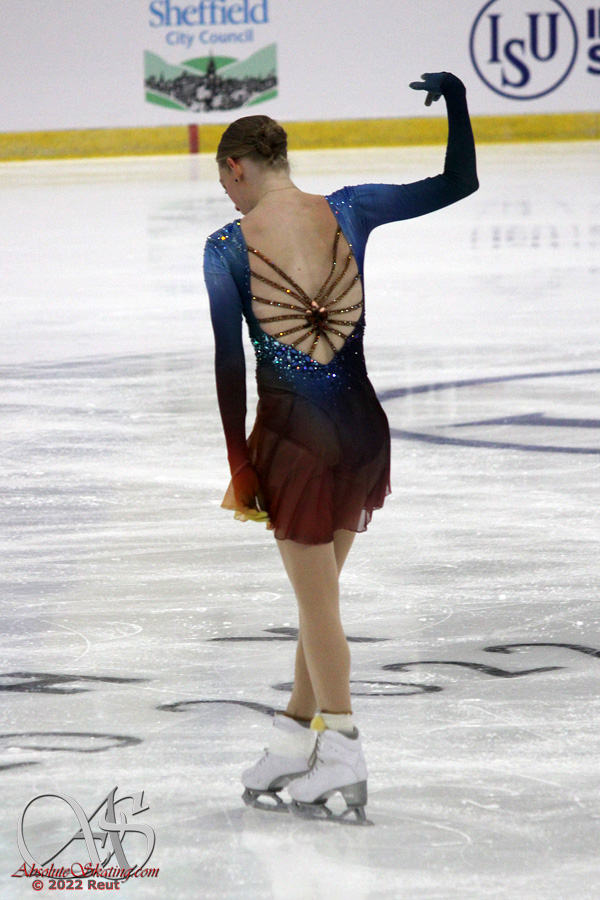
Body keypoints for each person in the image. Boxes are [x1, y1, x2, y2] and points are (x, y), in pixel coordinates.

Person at [203, 72, 478, 824]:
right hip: (362, 430)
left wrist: (239, 461)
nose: (228, 198)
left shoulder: (227, 247)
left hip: (295, 441)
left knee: (318, 605)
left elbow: (230, 365)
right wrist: (457, 102)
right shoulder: (349, 209)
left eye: (224, 183)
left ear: (237, 167)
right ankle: (293, 740)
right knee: (317, 600)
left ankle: (345, 749)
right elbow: (459, 181)